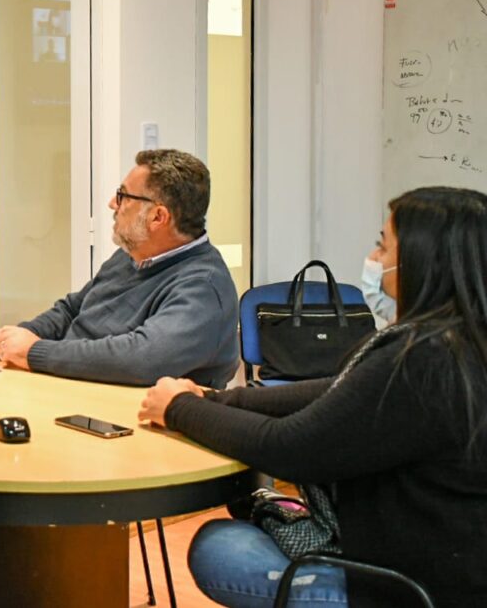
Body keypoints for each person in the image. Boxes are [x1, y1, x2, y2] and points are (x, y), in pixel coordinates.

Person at [138, 186, 487, 608]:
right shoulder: (462, 344)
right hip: (458, 570)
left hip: (410, 590)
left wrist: (179, 408)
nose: (374, 260)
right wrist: (214, 399)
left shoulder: (421, 361)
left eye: (383, 246)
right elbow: (336, 392)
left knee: (219, 547)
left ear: (420, 262)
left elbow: (288, 446)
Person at [0, 148, 239, 387]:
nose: (112, 204)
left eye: (123, 196)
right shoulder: (131, 254)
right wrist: (22, 335)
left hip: (135, 421)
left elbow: (142, 358)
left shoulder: (203, 286)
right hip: (70, 388)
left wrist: (34, 352)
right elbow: (73, 309)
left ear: (158, 217)